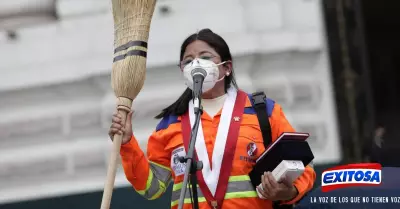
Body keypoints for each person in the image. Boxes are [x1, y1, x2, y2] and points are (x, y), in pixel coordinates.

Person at [109, 29, 316, 209]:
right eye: (188, 61)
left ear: (227, 68)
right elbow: (151, 188)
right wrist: (127, 144)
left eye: (205, 57)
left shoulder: (263, 111)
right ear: (183, 71)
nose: (196, 64)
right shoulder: (170, 124)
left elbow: (304, 167)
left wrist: (288, 192)